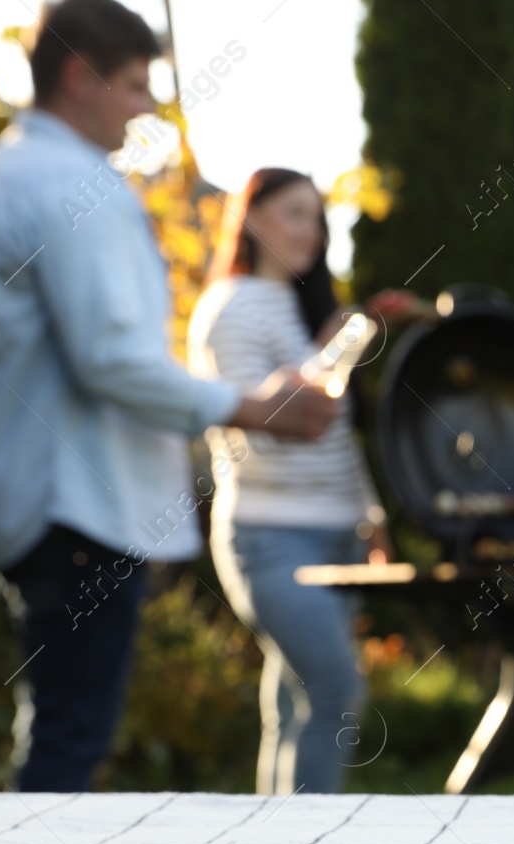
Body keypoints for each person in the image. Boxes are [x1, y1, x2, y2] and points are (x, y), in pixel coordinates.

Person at [0, 0, 335, 793]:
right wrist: (252, 407)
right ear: (80, 77)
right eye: (133, 86)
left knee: (55, 727)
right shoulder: (72, 185)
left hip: (21, 494)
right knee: (68, 743)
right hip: (75, 502)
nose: (146, 108)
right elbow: (111, 360)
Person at [188, 168, 390, 795]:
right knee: (336, 691)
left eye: (317, 218)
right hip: (272, 536)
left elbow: (336, 434)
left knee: (293, 707)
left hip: (339, 537)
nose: (311, 231)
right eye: (294, 214)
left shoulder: (306, 310)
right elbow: (262, 418)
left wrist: (371, 512)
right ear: (251, 219)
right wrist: (342, 345)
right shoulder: (232, 306)